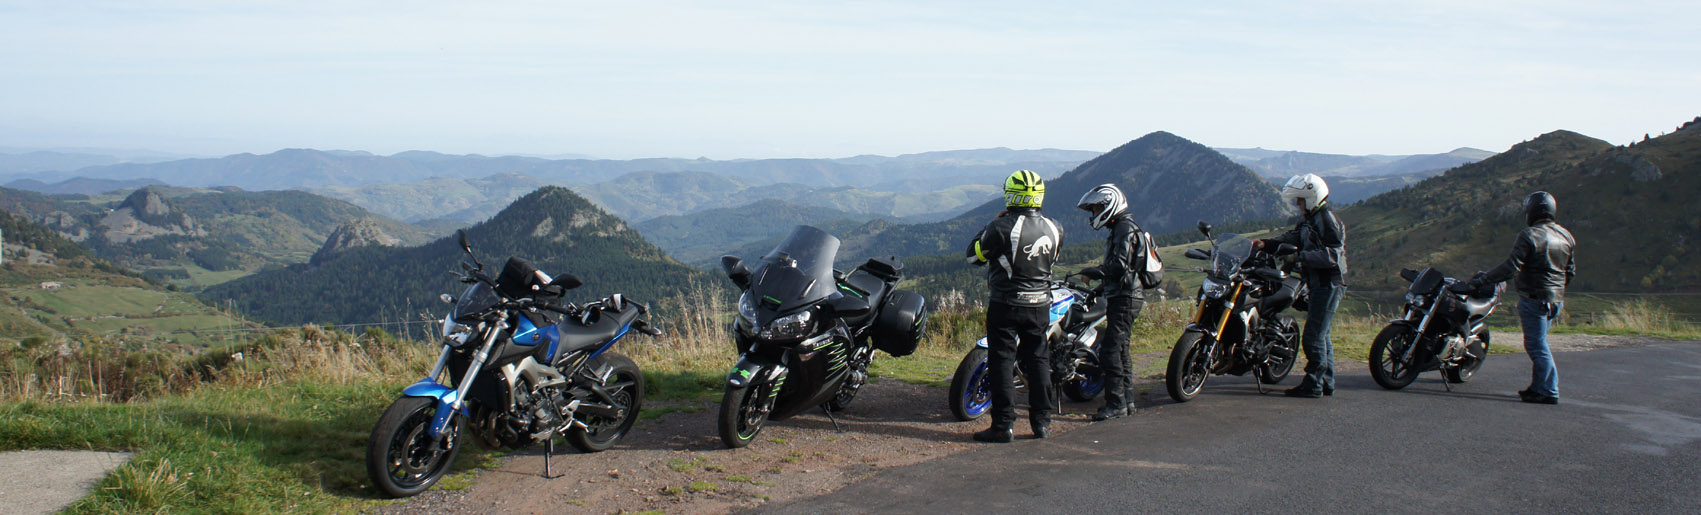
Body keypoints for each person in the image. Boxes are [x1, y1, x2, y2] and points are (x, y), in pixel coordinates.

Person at [965, 170, 1063, 442]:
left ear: (1010, 194)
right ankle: (1042, 424)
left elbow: (973, 256)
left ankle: (1003, 426)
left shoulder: (1001, 227)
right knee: (1039, 361)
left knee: (1002, 362)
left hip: (1006, 304)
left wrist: (990, 225)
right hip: (1040, 303)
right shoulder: (1056, 227)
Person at [1468, 191, 1575, 405]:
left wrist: (1482, 280)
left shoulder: (1530, 235)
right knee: (1540, 344)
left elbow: (1511, 267)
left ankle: (1548, 390)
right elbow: (1569, 271)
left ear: (1532, 211)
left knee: (1537, 346)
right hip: (1556, 300)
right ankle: (1538, 387)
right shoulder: (1566, 236)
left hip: (1535, 298)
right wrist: (1556, 291)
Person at [1254, 173, 1347, 399]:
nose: (1298, 204)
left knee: (1313, 337)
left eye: (1301, 200)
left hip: (1328, 284)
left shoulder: (1325, 220)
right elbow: (1294, 237)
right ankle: (1326, 382)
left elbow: (1333, 254)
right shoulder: (1312, 220)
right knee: (1322, 335)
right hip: (1319, 284)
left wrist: (1300, 258)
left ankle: (1313, 385)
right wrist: (1266, 244)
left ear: (1312, 198)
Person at [1075, 184, 1146, 421]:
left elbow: (1119, 266)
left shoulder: (1124, 228)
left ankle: (1116, 403)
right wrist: (1099, 290)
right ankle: (1127, 402)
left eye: (1096, 209)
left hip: (1126, 298)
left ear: (1109, 206)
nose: (1094, 214)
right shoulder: (1121, 228)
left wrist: (1094, 271)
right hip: (1124, 296)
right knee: (1121, 350)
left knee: (1111, 351)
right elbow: (1120, 272)